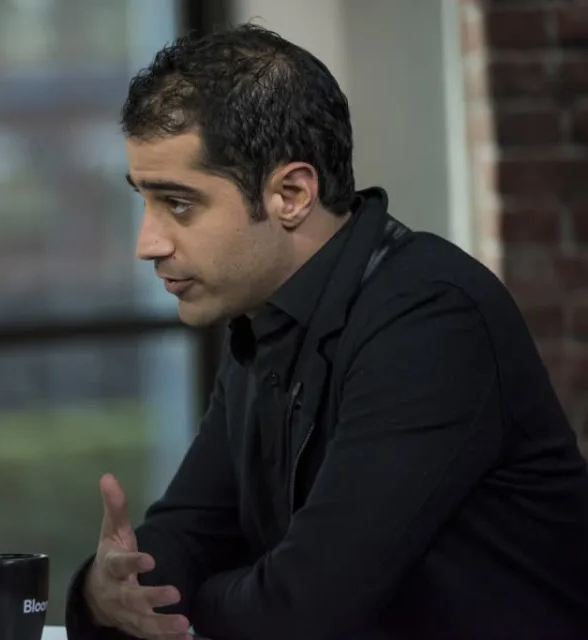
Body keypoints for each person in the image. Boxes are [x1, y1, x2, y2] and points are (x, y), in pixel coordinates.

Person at [62, 23, 588, 640]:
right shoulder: (265, 316)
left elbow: (303, 613)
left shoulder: (431, 319)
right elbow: (185, 537)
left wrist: (176, 607)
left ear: (291, 194)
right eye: (144, 202)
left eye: (179, 204)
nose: (146, 243)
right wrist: (104, 590)